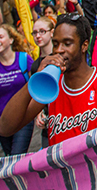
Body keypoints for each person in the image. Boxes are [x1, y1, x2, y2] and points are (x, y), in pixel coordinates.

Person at [0, 14, 97, 147]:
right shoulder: (51, 85)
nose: (59, 50)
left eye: (67, 43)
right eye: (56, 44)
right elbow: (6, 128)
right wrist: (33, 81)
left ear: (84, 45)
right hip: (59, 168)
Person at [0, 24, 34, 155]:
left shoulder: (24, 59)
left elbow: (35, 87)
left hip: (23, 119)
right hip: (3, 121)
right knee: (9, 159)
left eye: (1, 37)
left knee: (17, 157)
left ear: (11, 40)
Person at [31, 16, 55, 148]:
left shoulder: (61, 57)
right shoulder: (35, 66)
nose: (38, 36)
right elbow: (37, 96)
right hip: (48, 124)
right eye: (34, 33)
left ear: (52, 32)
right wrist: (38, 113)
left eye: (42, 31)